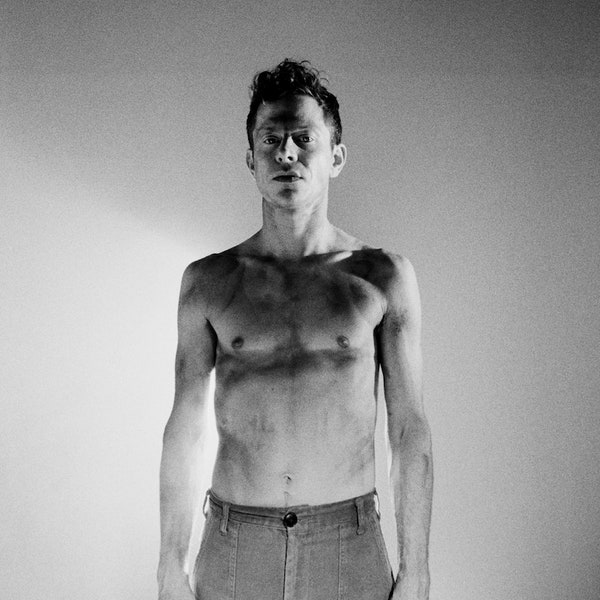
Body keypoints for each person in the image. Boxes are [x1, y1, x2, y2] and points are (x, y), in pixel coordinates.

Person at [158, 59, 433, 600]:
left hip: (347, 545)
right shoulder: (209, 282)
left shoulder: (381, 277)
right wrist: (170, 565)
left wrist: (416, 570)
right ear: (251, 159)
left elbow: (408, 429)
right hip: (236, 543)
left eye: (303, 138)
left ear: (336, 156)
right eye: (271, 139)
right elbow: (185, 428)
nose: (286, 153)